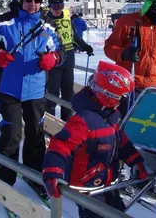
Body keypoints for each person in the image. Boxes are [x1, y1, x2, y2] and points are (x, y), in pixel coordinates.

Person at [0, 0, 65, 192]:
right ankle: (4, 181)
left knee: (35, 135)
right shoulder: (4, 24)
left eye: (36, 0)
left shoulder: (46, 28)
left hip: (35, 92)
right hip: (9, 90)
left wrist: (54, 59)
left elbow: (61, 51)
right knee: (12, 135)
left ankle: (34, 177)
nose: (32, 4)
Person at [42, 60, 148, 218]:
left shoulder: (112, 116)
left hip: (107, 184)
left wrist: (135, 160)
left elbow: (120, 140)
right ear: (108, 97)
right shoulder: (83, 121)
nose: (121, 102)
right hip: (87, 189)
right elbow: (60, 145)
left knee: (118, 213)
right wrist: (52, 172)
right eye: (120, 98)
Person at [104, 0, 156, 117]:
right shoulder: (127, 22)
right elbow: (109, 47)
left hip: (153, 88)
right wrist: (124, 54)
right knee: (126, 127)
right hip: (129, 86)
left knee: (147, 126)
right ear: (152, 4)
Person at [44, 0, 94, 121]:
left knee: (68, 96)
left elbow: (76, 38)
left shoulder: (67, 20)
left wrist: (86, 47)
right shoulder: (45, 22)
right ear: (49, 7)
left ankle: (66, 124)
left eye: (61, 6)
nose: (58, 10)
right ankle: (50, 126)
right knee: (52, 95)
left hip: (69, 61)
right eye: (55, 6)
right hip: (54, 64)